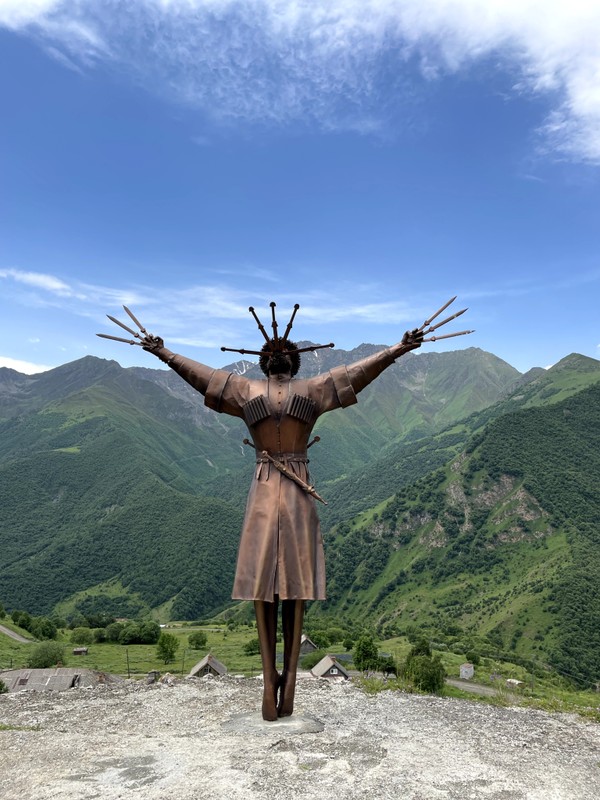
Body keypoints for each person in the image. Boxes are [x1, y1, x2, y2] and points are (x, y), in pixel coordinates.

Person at [98, 299, 468, 720]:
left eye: (279, 353)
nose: (277, 356)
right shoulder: (297, 390)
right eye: (277, 354)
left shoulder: (258, 390)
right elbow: (354, 374)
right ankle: (281, 679)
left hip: (271, 487)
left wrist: (163, 351)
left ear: (278, 362)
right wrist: (399, 349)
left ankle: (279, 678)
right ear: (283, 362)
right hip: (288, 487)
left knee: (278, 585)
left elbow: (206, 377)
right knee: (282, 585)